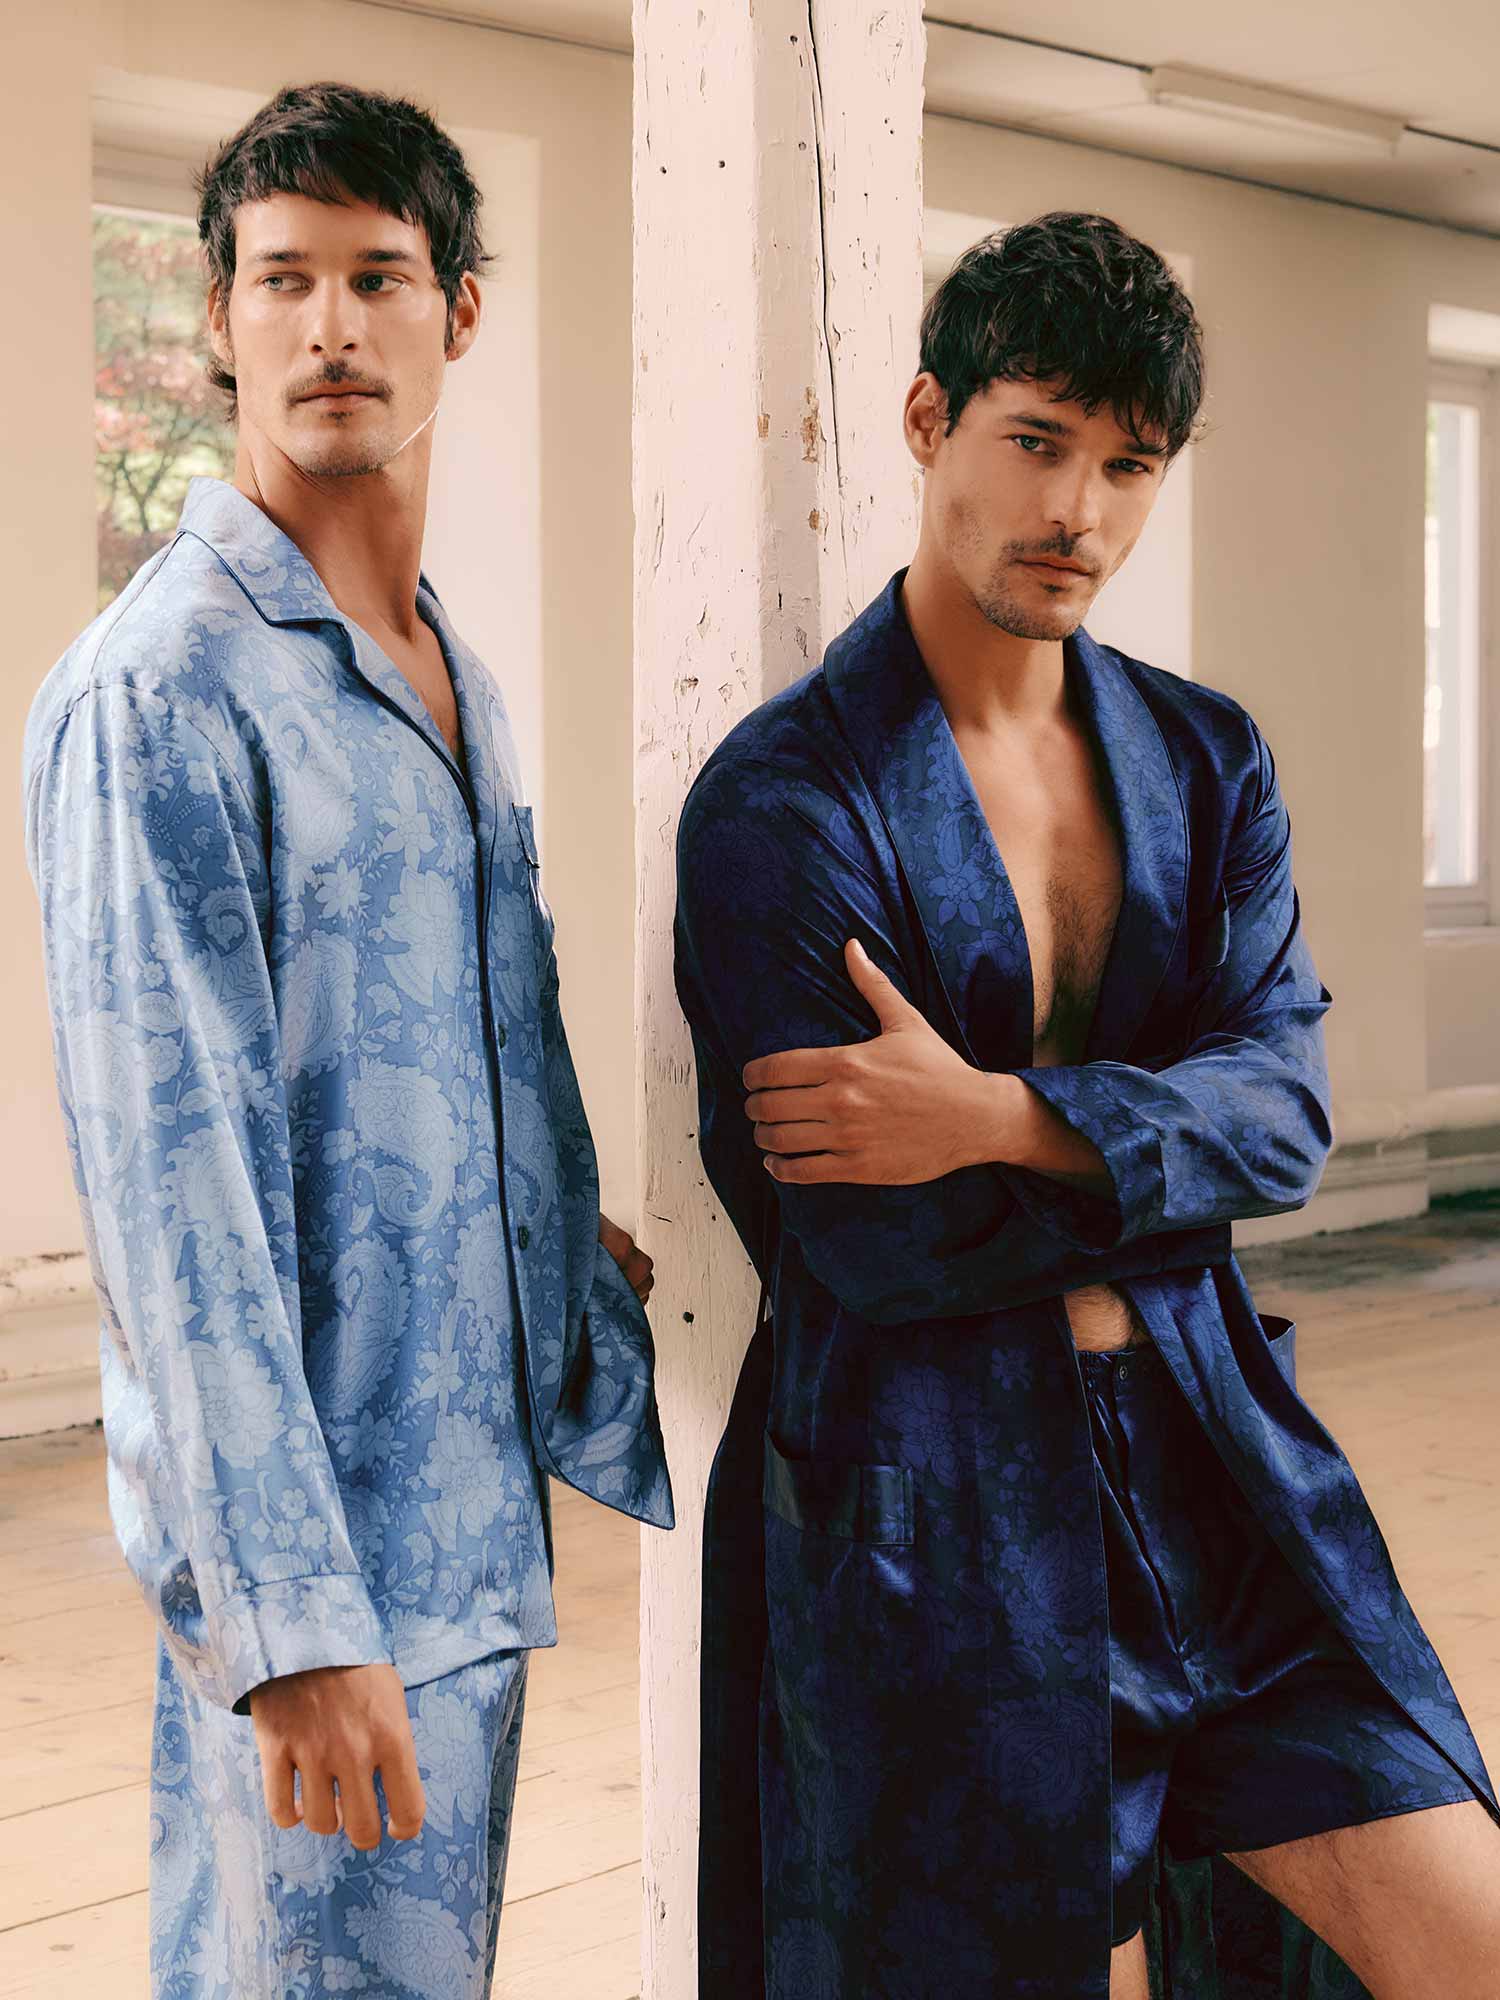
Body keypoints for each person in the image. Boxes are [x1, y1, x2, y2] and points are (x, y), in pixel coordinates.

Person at [675, 213, 1499, 2000]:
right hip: (940, 1502)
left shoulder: (1205, 758)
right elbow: (871, 1237)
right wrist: (1154, 1157)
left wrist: (997, 1119)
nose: (1079, 514)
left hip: (1219, 1468)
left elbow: (1286, 1114)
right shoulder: (784, 803)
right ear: (929, 422)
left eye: (1129, 466)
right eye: (1037, 442)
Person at [22, 80, 671, 2000]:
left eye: (378, 278)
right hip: (320, 1563)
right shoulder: (161, 690)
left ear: (458, 311)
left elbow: (436, 1036)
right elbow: (178, 1204)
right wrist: (290, 1622)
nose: (329, 327)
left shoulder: (441, 664)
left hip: (467, 1526)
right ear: (218, 321)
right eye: (282, 280)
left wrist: (549, 1243)